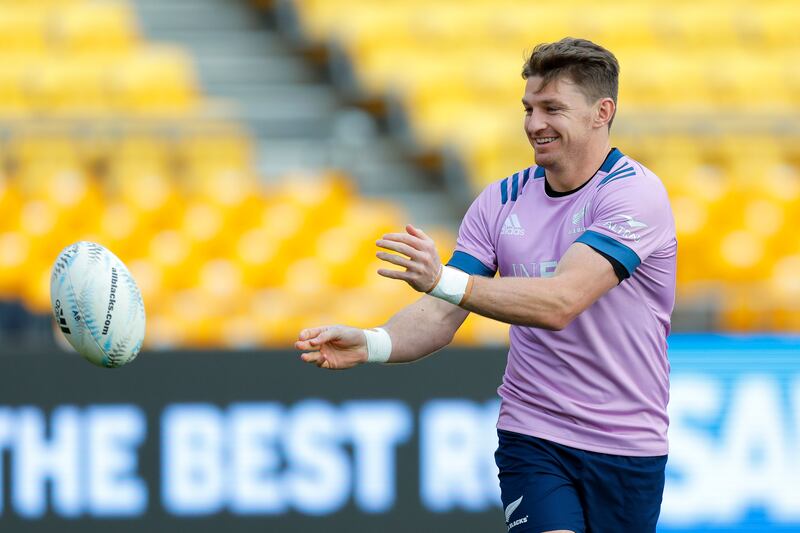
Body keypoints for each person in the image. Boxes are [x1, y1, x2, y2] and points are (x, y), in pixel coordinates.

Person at [296, 37, 676, 533]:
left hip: (628, 443)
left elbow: (562, 301)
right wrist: (371, 343)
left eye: (552, 108)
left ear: (602, 112)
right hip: (534, 434)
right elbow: (439, 313)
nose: (534, 124)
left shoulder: (635, 194)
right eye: (528, 108)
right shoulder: (500, 202)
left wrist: (444, 281)